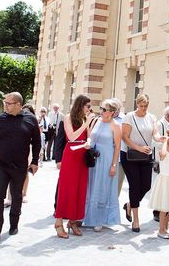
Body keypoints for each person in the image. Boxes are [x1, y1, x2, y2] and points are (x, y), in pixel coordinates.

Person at [0, 92, 41, 246]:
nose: (6, 106)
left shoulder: (30, 120)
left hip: (20, 166)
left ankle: (14, 223)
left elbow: (36, 142)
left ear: (18, 104)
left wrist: (35, 161)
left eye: (8, 103)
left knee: (17, 196)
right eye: (5, 103)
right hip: (1, 165)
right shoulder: (0, 119)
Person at [120, 93, 164, 232]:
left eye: (145, 106)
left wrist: (159, 138)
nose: (143, 108)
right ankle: (136, 220)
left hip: (146, 156)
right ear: (137, 104)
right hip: (130, 155)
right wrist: (138, 147)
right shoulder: (129, 117)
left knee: (146, 185)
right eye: (141, 106)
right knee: (134, 185)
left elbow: (155, 134)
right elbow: (125, 137)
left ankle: (129, 205)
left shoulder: (151, 117)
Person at [54, 95, 93, 238]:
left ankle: (73, 221)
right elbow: (71, 137)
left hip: (82, 155)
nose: (90, 109)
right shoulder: (68, 117)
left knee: (79, 189)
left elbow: (88, 135)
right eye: (87, 106)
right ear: (80, 105)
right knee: (66, 189)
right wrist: (85, 123)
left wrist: (89, 141)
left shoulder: (85, 118)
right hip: (71, 154)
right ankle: (58, 222)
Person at [84, 99, 122, 232]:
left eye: (104, 110)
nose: (101, 111)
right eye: (101, 108)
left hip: (106, 159)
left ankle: (98, 219)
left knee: (102, 187)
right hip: (93, 158)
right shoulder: (96, 121)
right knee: (90, 185)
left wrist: (113, 165)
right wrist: (88, 143)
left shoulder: (116, 125)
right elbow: (89, 135)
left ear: (112, 112)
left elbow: (117, 146)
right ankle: (86, 216)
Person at [111, 98, 127, 196]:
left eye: (115, 109)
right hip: (106, 155)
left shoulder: (125, 119)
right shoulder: (105, 117)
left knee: (118, 183)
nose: (113, 111)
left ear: (119, 108)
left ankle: (113, 205)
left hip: (120, 157)